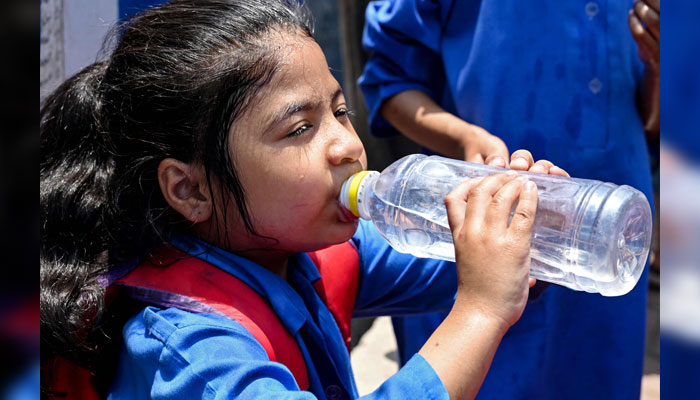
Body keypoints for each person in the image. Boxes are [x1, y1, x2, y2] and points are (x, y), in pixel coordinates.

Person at [40, 1, 569, 399]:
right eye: (298, 129)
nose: (346, 146)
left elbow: (476, 261)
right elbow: (481, 292)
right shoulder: (190, 351)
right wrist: (479, 312)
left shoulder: (314, 248)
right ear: (190, 189)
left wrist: (533, 224)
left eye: (340, 112)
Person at [359, 0, 658, 398]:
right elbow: (389, 81)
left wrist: (659, 64)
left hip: (613, 230)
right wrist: (464, 139)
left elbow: (650, 119)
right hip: (480, 220)